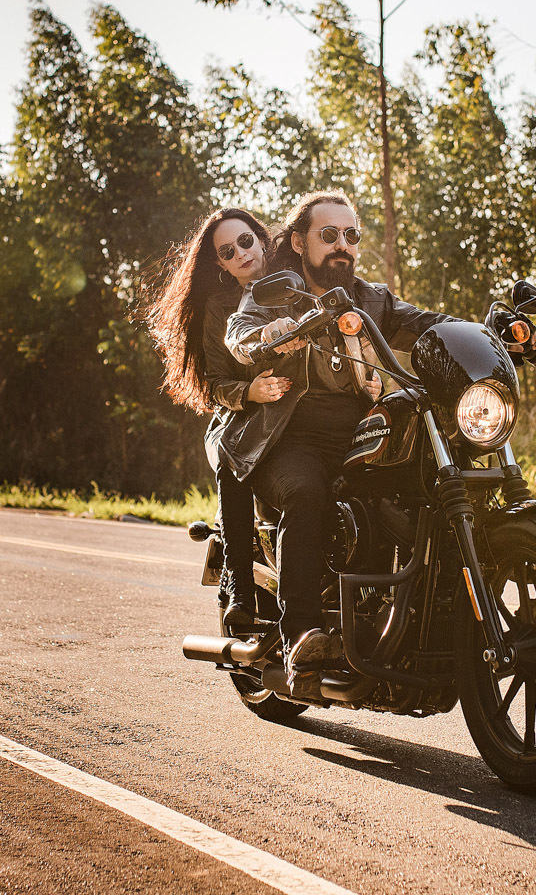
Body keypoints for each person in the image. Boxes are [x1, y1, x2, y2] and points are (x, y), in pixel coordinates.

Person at [220, 190, 458, 699]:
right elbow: (240, 334)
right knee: (306, 493)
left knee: (420, 492)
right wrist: (269, 340)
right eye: (329, 236)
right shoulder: (271, 294)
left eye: (351, 235)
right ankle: (301, 635)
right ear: (299, 242)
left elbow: (428, 324)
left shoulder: (371, 299)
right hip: (285, 441)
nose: (342, 246)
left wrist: (498, 333)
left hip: (357, 437)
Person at [144, 207, 288, 626]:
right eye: (228, 251)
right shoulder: (220, 307)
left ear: (261, 239)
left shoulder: (295, 282)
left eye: (245, 241)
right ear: (221, 264)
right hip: (241, 420)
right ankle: (239, 588)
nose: (241, 253)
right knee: (236, 462)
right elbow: (214, 383)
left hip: (300, 416)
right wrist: (251, 391)